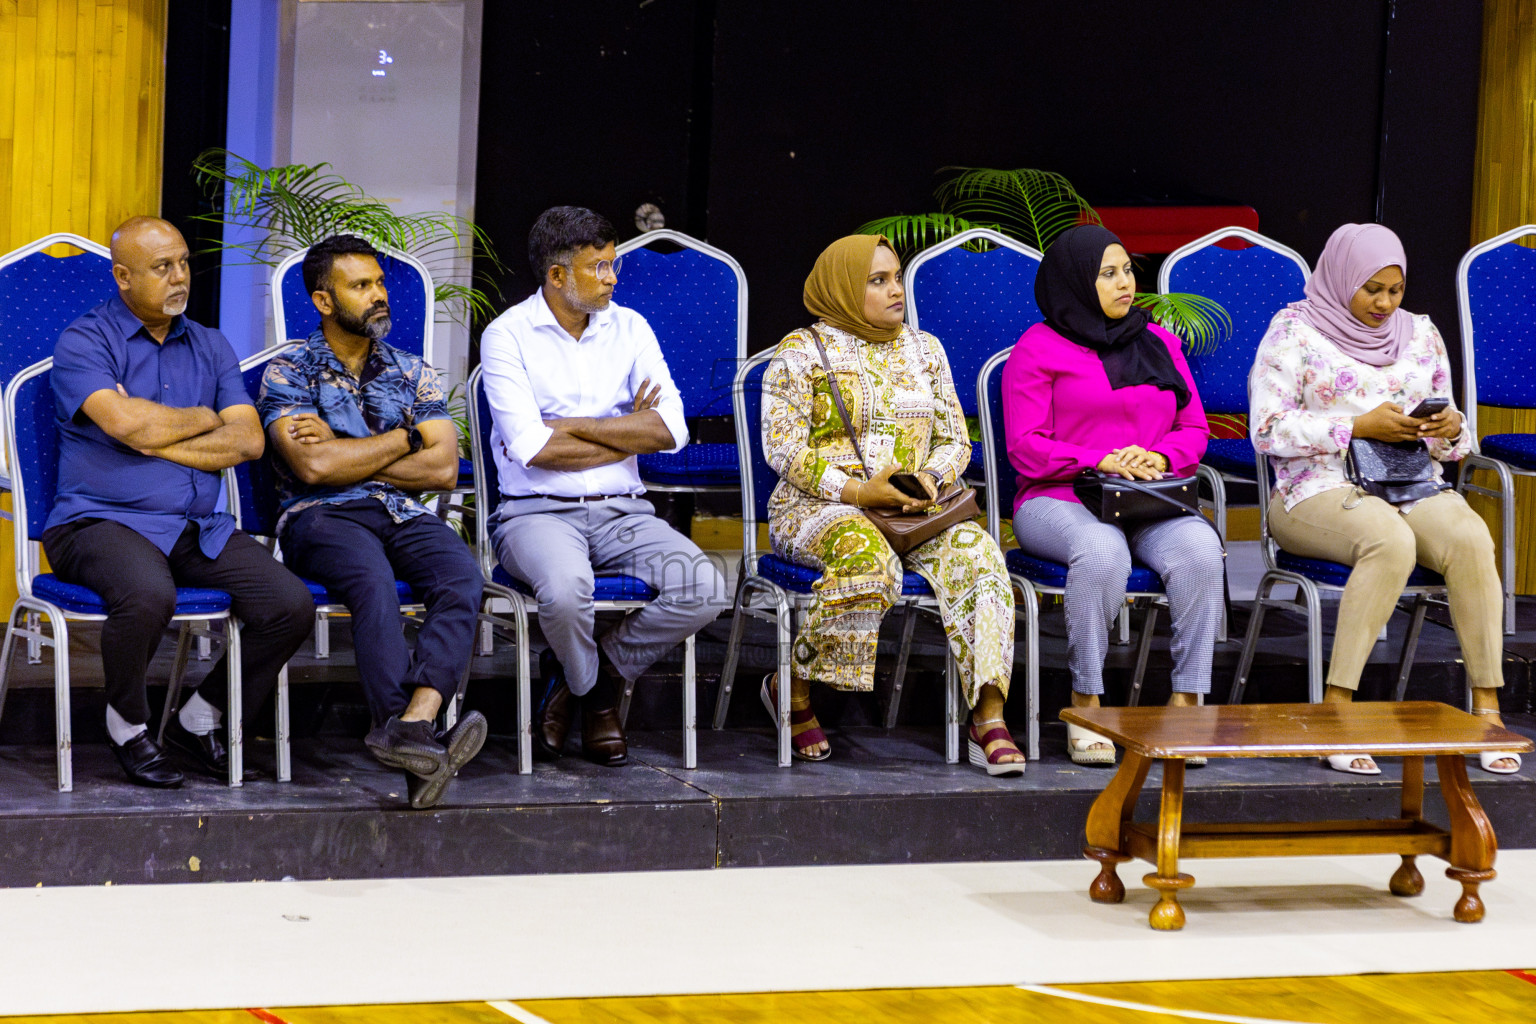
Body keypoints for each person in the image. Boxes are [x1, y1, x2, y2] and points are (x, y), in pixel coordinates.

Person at [42, 216, 313, 788]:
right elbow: (123, 423)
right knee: (147, 594)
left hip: (195, 525)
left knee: (288, 604)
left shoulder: (211, 345)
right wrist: (203, 419)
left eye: (184, 262)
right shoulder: (85, 341)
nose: (180, 276)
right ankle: (127, 726)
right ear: (123, 277)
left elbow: (248, 440)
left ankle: (199, 718)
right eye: (162, 267)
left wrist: (154, 434)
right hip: (98, 522)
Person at [1250, 222, 1521, 775]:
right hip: (1314, 487)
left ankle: (1487, 710)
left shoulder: (1419, 333)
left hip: (1410, 482)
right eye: (1372, 288)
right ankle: (1337, 713)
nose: (1384, 303)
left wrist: (1449, 426)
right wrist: (1358, 425)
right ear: (1342, 276)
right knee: (1389, 541)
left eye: (1394, 290)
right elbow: (1266, 429)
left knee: (1471, 536)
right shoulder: (1294, 330)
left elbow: (1453, 447)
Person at [761, 233, 1023, 774]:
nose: (895, 290)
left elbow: (956, 439)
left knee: (981, 556)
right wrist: (857, 491)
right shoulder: (799, 353)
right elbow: (782, 449)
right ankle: (794, 689)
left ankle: (989, 715)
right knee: (868, 561)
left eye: (896, 277)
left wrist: (929, 477)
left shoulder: (926, 350)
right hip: (818, 507)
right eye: (877, 281)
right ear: (841, 288)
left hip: (914, 511)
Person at [479, 206, 724, 767]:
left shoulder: (630, 327)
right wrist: (623, 432)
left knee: (707, 588)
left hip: (625, 511)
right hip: (534, 513)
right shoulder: (507, 336)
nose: (613, 278)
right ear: (557, 275)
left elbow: (670, 430)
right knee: (566, 594)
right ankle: (596, 701)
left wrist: (567, 424)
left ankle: (592, 679)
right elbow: (532, 449)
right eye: (599, 267)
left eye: (613, 265)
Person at [258, 233, 488, 807]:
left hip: (401, 512)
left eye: (380, 283)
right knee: (372, 583)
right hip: (320, 518)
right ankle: (411, 736)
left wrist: (352, 453)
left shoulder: (414, 371)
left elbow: (441, 467)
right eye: (362, 286)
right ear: (324, 301)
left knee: (463, 577)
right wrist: (404, 438)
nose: (379, 295)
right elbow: (311, 467)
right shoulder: (289, 370)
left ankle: (413, 725)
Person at [1003, 224, 1224, 766]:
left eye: (1127, 269)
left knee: (1200, 549)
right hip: (1059, 496)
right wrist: (1094, 459)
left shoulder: (1159, 341)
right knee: (1103, 550)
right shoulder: (1038, 349)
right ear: (1076, 283)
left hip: (1145, 496)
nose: (1125, 283)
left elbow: (1194, 426)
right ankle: (1087, 703)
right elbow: (1024, 447)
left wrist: (1162, 456)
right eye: (1108, 273)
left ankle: (1187, 701)